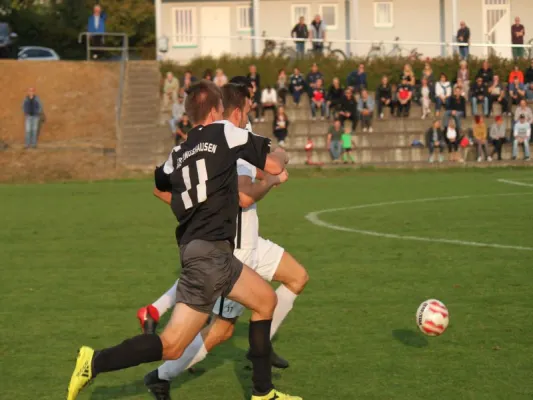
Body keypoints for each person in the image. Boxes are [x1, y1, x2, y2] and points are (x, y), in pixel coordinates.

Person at [66, 80, 300, 400]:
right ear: (217, 110)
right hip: (211, 255)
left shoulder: (179, 150)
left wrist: (188, 207)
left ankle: (263, 393)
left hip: (202, 251)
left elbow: (160, 184)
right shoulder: (225, 131)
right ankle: (94, 361)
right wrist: (283, 154)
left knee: (263, 302)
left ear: (189, 115)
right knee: (174, 345)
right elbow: (272, 163)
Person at [141, 96, 309, 398]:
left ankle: (262, 347)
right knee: (221, 330)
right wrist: (271, 181)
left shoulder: (239, 140)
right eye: (246, 110)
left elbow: (255, 176)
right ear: (232, 111)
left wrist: (270, 174)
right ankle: (160, 375)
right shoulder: (226, 143)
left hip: (255, 243)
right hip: (236, 252)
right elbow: (245, 197)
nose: (249, 117)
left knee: (297, 277)